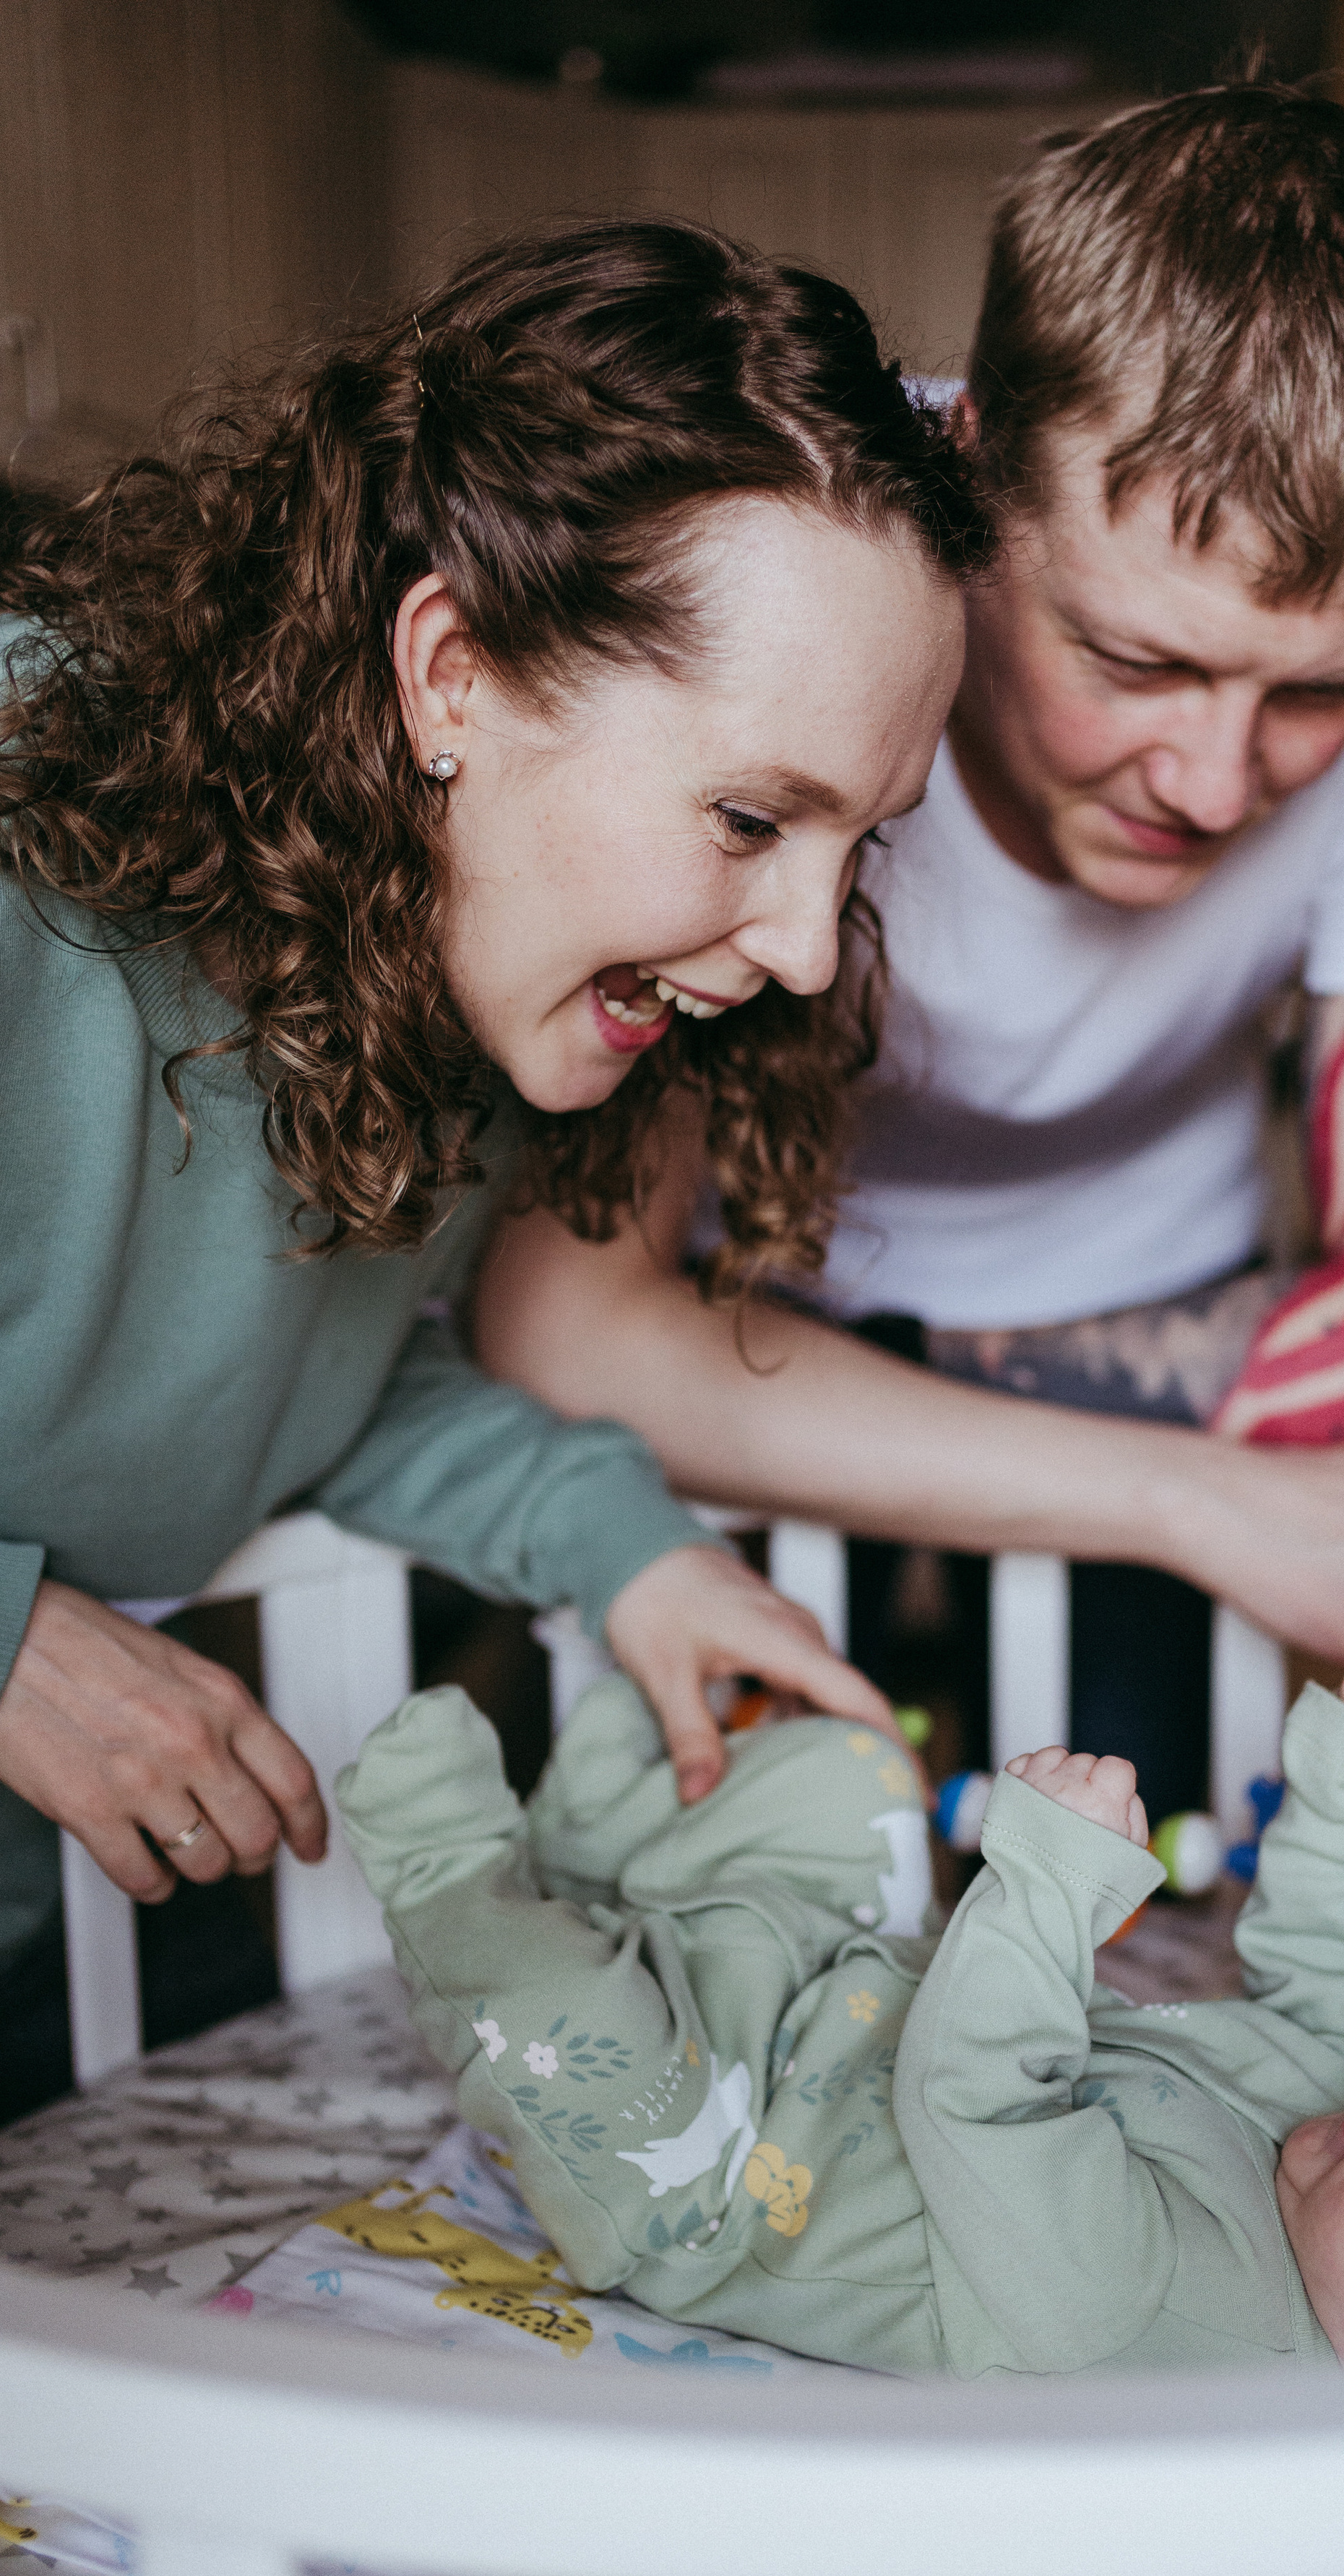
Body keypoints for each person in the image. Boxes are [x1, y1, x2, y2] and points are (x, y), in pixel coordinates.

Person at [475, 79, 1344, 1818]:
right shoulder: (809, 574)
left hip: (1076, 1267)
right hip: (784, 1261)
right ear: (971, 465)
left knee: (1129, 1921)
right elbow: (570, 1334)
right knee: (683, 1875)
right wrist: (1171, 1480)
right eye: (1133, 663)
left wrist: (866, 1395)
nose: (1216, 784)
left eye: (1319, 694)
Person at [0, 219, 991, 2113]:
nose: (800, 947)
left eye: (854, 847)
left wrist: (636, 1557)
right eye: (746, 814)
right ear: (451, 672)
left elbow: (275, 1390)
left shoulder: (443, 985)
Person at [339, 1626, 1344, 2377]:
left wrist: (1053, 1883)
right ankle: (622, 1864)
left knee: (561, 2035)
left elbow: (975, 2100)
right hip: (845, 1988)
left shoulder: (1163, 2322)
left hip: (722, 2167)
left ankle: (456, 1868)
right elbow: (1338, 1954)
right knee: (858, 1780)